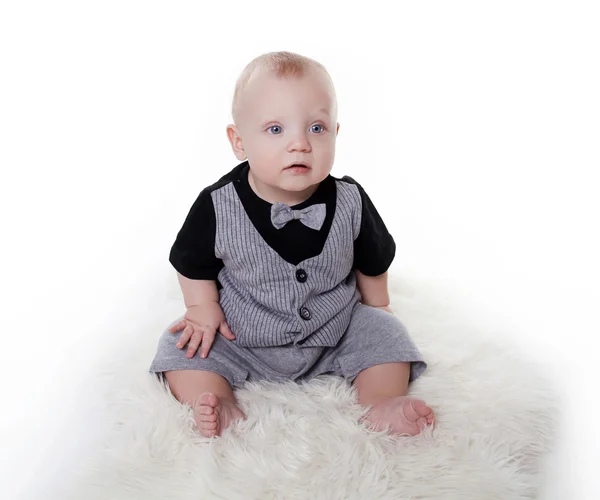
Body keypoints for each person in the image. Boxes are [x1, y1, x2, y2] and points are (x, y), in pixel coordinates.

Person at [149, 51, 435, 438]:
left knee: (387, 336)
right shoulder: (218, 204)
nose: (299, 144)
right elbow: (191, 261)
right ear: (239, 142)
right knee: (179, 348)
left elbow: (374, 259)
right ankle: (220, 403)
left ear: (336, 132)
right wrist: (202, 307)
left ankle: (381, 403)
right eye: (275, 130)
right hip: (242, 334)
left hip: (336, 330)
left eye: (316, 128)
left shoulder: (350, 200)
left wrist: (379, 309)